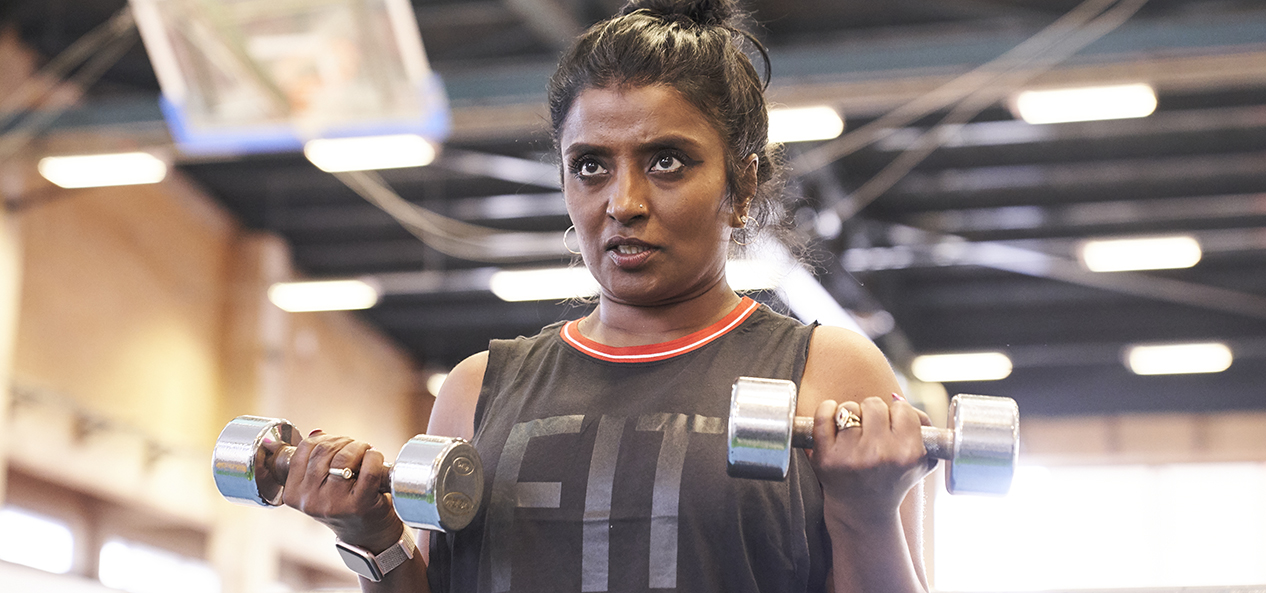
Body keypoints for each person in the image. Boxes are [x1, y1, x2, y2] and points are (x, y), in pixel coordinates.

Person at [281, 1, 935, 591]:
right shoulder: (476, 390)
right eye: (591, 165)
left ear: (741, 184)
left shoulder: (832, 372)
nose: (623, 203)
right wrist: (372, 538)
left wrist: (865, 511)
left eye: (667, 161)